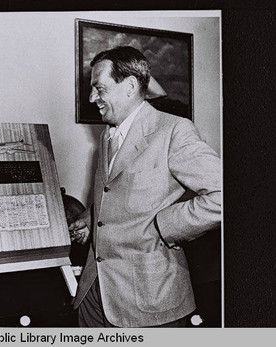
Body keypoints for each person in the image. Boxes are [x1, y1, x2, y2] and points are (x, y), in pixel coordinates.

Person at [69, 46, 221, 327]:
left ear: (128, 87)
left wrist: (164, 226)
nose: (92, 98)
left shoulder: (174, 130)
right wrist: (93, 217)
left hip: (147, 299)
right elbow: (122, 191)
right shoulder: (107, 135)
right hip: (94, 290)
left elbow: (222, 196)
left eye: (99, 88)